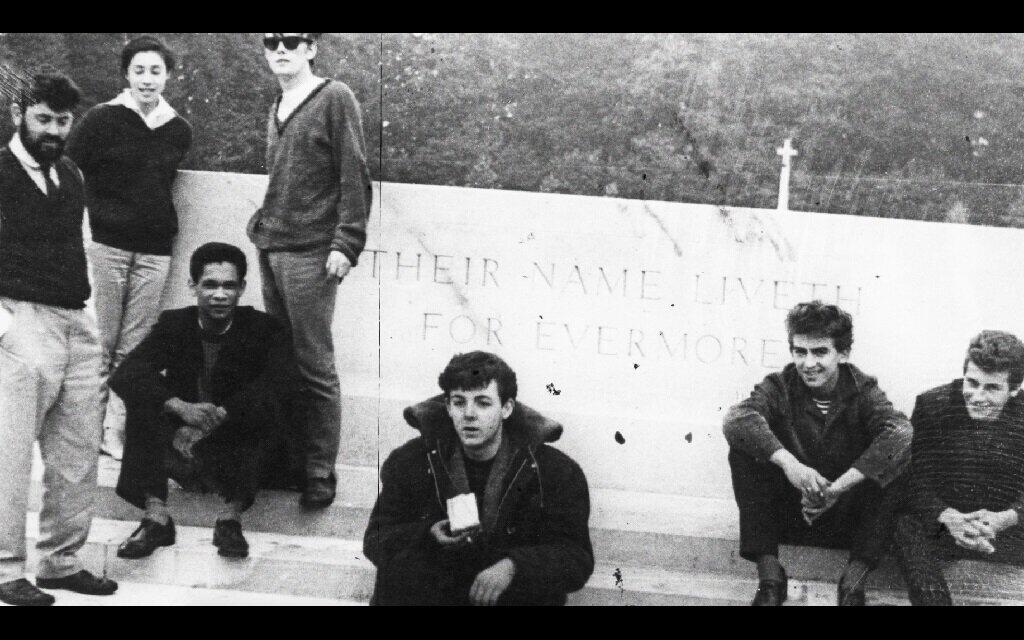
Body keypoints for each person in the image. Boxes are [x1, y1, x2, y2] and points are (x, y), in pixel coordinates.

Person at [0, 70, 118, 606]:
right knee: (8, 457)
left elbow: (81, 245)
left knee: (76, 454)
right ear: (18, 115)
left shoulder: (70, 173)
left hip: (75, 322)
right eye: (42, 118)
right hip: (19, 323)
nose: (52, 130)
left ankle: (61, 561)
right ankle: (5, 570)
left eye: (62, 121)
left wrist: (88, 317)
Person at [110, 242, 301, 560]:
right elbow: (126, 374)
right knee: (144, 398)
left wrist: (218, 417)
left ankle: (230, 519)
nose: (220, 295)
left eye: (229, 286)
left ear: (241, 288)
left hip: (234, 446)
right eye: (210, 285)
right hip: (181, 443)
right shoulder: (175, 324)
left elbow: (284, 383)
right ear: (193, 286)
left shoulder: (262, 328)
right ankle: (156, 518)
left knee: (268, 404)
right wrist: (179, 407)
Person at [246, 32, 372, 509]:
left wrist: (347, 242)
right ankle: (287, 462)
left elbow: (354, 173)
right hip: (272, 247)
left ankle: (319, 471)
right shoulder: (278, 104)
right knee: (280, 362)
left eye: (292, 40)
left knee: (315, 365)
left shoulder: (335, 97)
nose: (280, 49)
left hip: (311, 253)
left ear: (311, 48)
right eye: (271, 41)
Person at [363, 351, 594, 606]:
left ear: (506, 408)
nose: (469, 414)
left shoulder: (554, 470)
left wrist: (514, 566)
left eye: (483, 403)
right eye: (459, 402)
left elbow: (577, 558)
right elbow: (375, 540)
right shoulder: (411, 460)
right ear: (448, 407)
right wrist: (427, 535)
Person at [722, 300, 912, 606]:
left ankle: (853, 583)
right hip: (793, 512)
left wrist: (837, 489)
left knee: (897, 460)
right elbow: (736, 419)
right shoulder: (780, 386)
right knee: (744, 450)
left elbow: (900, 433)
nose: (808, 363)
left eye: (820, 352)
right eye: (800, 352)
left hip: (846, 518)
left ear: (843, 353)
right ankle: (771, 578)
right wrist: (791, 465)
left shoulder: (863, 391)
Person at [66, 35, 192, 461]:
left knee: (135, 348)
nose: (147, 79)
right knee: (100, 343)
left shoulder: (178, 129)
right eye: (139, 70)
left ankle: (114, 432)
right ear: (126, 74)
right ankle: (85, 429)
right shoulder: (101, 119)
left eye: (156, 71)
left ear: (168, 75)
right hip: (106, 245)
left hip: (155, 252)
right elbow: (69, 172)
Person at [895, 330, 1024, 605]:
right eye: (972, 382)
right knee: (904, 524)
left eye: (992, 388)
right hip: (945, 526)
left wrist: (1006, 518)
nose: (977, 396)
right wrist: (947, 516)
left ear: (1014, 390)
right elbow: (913, 479)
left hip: (1004, 530)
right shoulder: (933, 405)